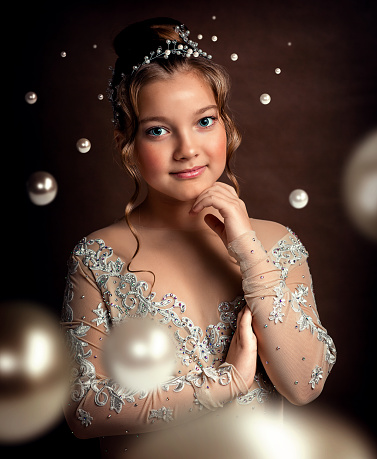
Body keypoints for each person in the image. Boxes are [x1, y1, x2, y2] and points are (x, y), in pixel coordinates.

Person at [61, 17, 337, 457]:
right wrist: (227, 382)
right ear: (126, 144)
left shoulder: (275, 243)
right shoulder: (99, 257)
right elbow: (83, 410)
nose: (187, 148)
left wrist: (248, 250)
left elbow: (304, 384)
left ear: (225, 123)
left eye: (205, 121)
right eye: (158, 129)